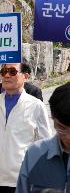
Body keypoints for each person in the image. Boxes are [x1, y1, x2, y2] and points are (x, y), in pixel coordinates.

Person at [0, 63, 52, 192]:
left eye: (12, 72)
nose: (6, 75)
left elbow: (45, 144)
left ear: (25, 76)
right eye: (3, 71)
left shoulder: (36, 106)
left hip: (21, 179)